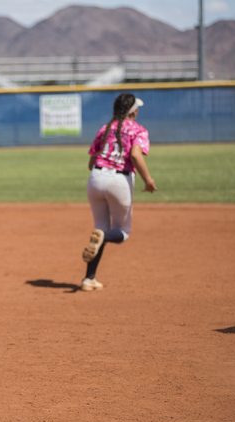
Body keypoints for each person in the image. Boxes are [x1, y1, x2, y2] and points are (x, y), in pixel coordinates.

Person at [81, 92, 157, 291]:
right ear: (133, 111)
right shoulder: (138, 130)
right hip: (119, 180)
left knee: (100, 228)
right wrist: (148, 180)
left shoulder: (105, 128)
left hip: (96, 178)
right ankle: (103, 238)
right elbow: (135, 154)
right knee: (122, 232)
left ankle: (89, 278)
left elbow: (91, 162)